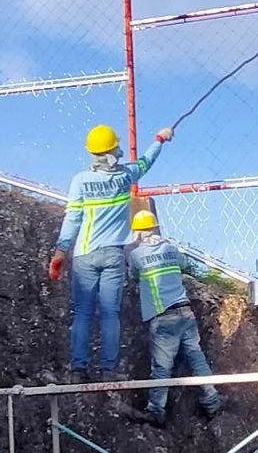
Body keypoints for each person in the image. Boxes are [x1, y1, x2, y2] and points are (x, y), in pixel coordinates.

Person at [49, 124, 173, 383]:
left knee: (82, 313)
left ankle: (78, 370)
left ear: (93, 154)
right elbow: (146, 162)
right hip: (114, 255)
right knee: (110, 314)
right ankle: (108, 370)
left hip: (84, 254)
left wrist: (60, 252)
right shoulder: (125, 176)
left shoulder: (80, 181)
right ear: (114, 150)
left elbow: (73, 218)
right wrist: (160, 139)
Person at [124, 209, 222, 428]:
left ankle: (156, 411)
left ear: (138, 232)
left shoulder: (136, 255)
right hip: (185, 311)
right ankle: (212, 399)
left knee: (161, 367)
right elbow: (185, 264)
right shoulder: (170, 248)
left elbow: (133, 276)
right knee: (196, 358)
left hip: (163, 316)